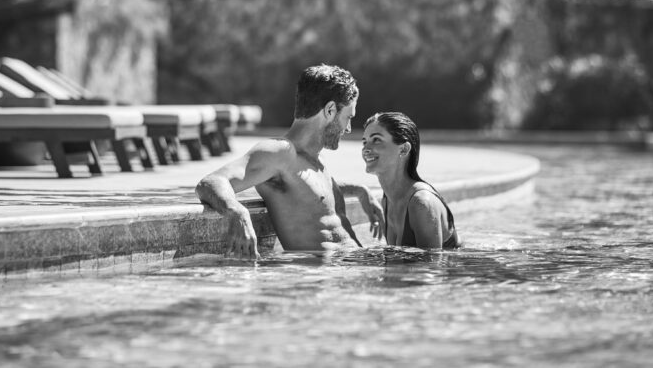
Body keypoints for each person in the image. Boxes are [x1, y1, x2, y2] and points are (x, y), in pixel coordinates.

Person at [196, 64, 385, 260]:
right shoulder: (280, 152)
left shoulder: (314, 158)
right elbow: (212, 181)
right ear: (330, 110)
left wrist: (360, 190)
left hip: (351, 267)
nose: (348, 128)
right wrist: (237, 213)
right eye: (348, 117)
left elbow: (311, 193)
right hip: (325, 279)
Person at [361, 111, 460, 249]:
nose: (366, 148)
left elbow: (431, 268)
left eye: (376, 140)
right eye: (364, 142)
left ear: (404, 149)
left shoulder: (421, 204)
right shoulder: (387, 200)